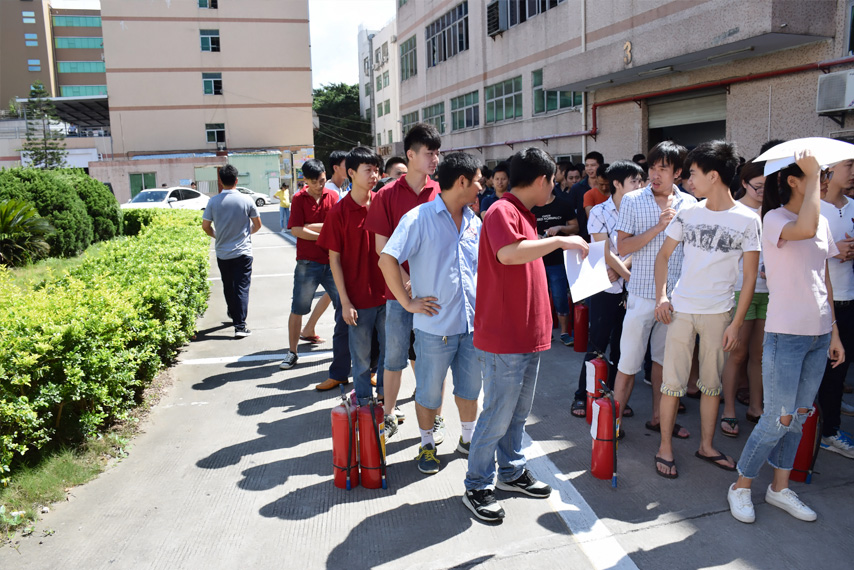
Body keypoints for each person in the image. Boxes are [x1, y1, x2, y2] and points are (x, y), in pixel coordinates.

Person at [462, 147, 589, 523]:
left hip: (526, 334)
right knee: (497, 413)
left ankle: (511, 471)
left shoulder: (523, 214)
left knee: (517, 413)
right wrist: (561, 241)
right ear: (541, 179)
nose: (555, 187)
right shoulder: (502, 210)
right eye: (552, 180)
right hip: (505, 336)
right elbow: (508, 253)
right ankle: (477, 484)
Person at [727, 149, 844, 524]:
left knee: (800, 416)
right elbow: (805, 229)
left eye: (825, 175)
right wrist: (812, 178)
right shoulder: (774, 219)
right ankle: (741, 486)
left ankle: (779, 488)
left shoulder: (820, 220)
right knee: (777, 418)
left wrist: (834, 332)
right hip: (786, 333)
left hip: (819, 333)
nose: (825, 180)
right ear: (793, 181)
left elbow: (823, 278)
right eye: (818, 175)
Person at [653, 141, 761, 478]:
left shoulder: (748, 220)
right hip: (681, 311)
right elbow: (663, 256)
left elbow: (750, 276)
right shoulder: (688, 213)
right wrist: (662, 297)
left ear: (713, 176)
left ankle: (707, 446)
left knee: (711, 385)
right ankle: (665, 447)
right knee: (672, 384)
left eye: (693, 174)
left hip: (719, 314)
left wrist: (736, 323)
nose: (688, 180)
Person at [380, 152, 483, 474]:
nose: (481, 187)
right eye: (478, 181)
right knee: (428, 393)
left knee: (469, 391)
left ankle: (467, 439)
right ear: (462, 181)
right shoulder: (419, 218)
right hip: (434, 329)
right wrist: (407, 302)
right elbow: (387, 259)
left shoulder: (474, 221)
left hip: (471, 327)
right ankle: (426, 444)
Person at [614, 141, 696, 440]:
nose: (655, 174)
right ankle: (613, 425)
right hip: (640, 294)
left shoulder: (690, 204)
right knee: (628, 364)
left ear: (678, 173)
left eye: (663, 168)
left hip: (675, 299)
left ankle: (660, 420)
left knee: (663, 364)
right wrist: (658, 228)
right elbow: (623, 246)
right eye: (652, 168)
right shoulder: (633, 200)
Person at [365, 122, 442, 438]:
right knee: (394, 359)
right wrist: (407, 278)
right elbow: (380, 248)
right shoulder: (386, 195)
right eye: (429, 153)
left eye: (437, 153)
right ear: (410, 154)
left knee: (432, 361)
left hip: (434, 295)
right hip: (398, 294)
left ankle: (435, 418)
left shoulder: (441, 193)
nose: (435, 159)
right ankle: (389, 414)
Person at [571, 160, 642, 417]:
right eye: (634, 181)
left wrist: (622, 270)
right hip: (605, 286)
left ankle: (615, 396)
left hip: (630, 286)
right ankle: (583, 395)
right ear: (617, 184)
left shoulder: (642, 211)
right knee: (598, 344)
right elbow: (601, 248)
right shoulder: (600, 211)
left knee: (623, 346)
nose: (640, 186)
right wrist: (623, 273)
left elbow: (643, 245)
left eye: (641, 181)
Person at [317, 147, 386, 405]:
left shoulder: (382, 204)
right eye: (368, 170)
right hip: (358, 301)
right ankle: (364, 405)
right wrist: (344, 302)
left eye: (376, 170)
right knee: (361, 359)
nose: (374, 175)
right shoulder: (339, 212)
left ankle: (386, 404)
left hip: (388, 296)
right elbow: (333, 259)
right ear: (351, 173)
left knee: (390, 357)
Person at [280, 159, 351, 392]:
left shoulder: (333, 196)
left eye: (322, 181)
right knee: (298, 307)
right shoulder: (298, 199)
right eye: (315, 183)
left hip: (332, 262)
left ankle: (346, 354)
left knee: (344, 305)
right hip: (307, 263)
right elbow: (296, 230)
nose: (320, 186)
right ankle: (292, 352)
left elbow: (337, 225)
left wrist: (311, 226)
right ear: (305, 181)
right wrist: (323, 232)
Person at [720, 160, 768, 436]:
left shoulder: (775, 212)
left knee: (760, 355)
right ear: (744, 183)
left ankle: (755, 407)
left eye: (768, 186)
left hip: (770, 292)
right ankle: (728, 410)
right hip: (739, 288)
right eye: (757, 186)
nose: (762, 192)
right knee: (737, 354)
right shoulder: (735, 212)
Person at [817, 158, 854, 458]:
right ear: (829, 170)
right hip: (821, 302)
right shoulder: (812, 210)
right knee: (826, 371)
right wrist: (833, 250)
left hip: (849, 299)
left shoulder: (852, 206)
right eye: (849, 166)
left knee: (839, 371)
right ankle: (826, 431)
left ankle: (830, 423)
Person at [201, 164, 262, 338]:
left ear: (220, 181)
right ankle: (240, 326)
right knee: (242, 287)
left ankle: (233, 312)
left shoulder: (213, 201)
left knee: (228, 286)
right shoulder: (247, 200)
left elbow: (205, 226)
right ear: (236, 180)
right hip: (243, 252)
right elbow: (258, 224)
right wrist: (246, 234)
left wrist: (217, 236)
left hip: (223, 252)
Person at [531, 173, 579, 345]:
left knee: (559, 296)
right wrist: (533, 235)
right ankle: (545, 331)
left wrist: (560, 228)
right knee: (538, 297)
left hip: (557, 260)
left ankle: (564, 332)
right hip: (536, 260)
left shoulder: (563, 203)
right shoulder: (530, 206)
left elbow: (575, 227)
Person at [569, 151, 605, 242]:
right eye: (587, 165)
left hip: (604, 233)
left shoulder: (607, 187)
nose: (589, 168)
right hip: (583, 235)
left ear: (600, 166)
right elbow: (571, 212)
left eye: (593, 165)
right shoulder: (577, 188)